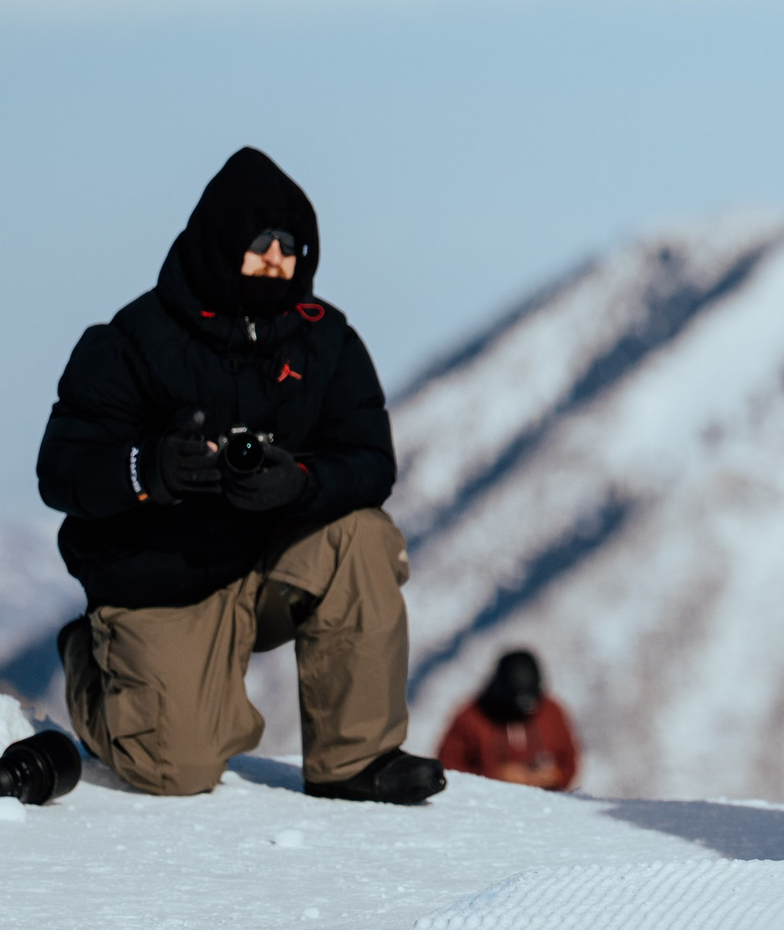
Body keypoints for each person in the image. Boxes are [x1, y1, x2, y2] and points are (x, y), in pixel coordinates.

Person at [36, 147, 444, 805]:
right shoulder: (131, 342)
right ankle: (93, 661)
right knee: (175, 769)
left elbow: (370, 460)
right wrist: (149, 468)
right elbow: (60, 470)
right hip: (163, 579)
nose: (276, 261)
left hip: (266, 567)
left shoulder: (327, 342)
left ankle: (355, 760)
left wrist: (299, 482)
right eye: (260, 245)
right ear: (221, 245)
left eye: (290, 247)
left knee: (362, 535)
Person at [439, 650, 582, 790]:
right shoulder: (472, 717)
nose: (523, 712)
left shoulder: (550, 712)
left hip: (545, 801)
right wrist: (494, 776)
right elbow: (446, 769)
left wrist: (555, 776)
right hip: (486, 801)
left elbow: (569, 762)